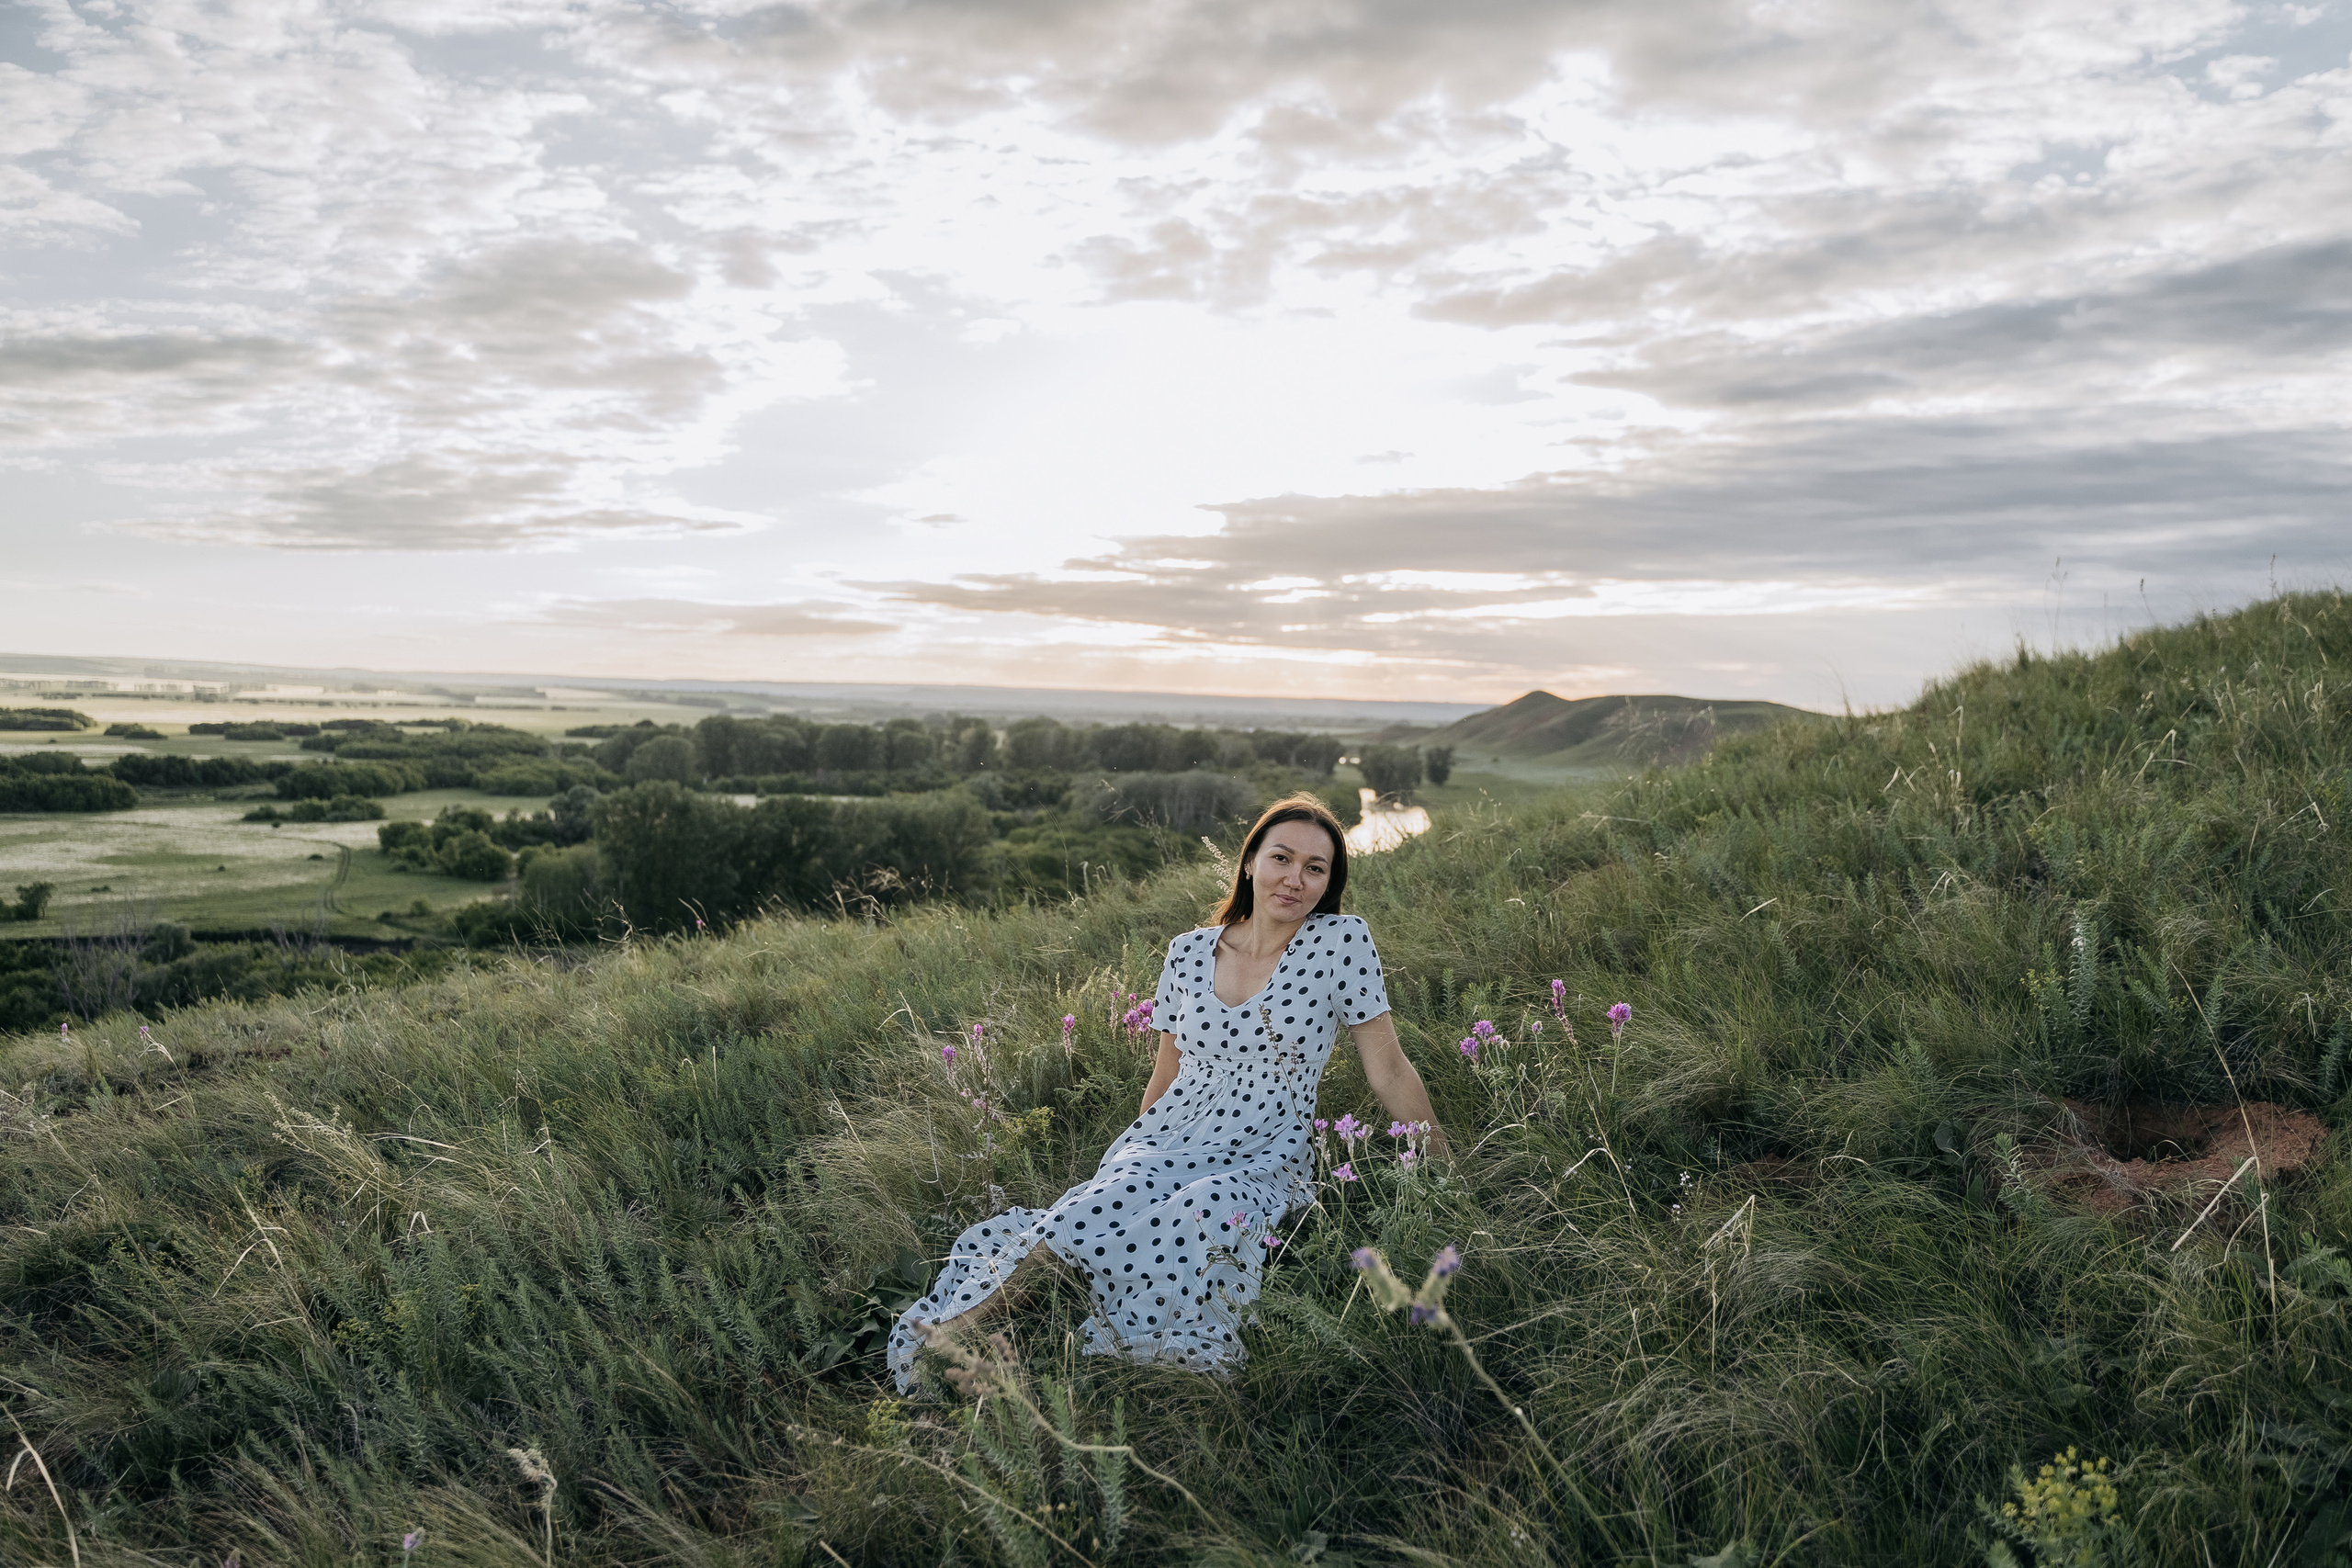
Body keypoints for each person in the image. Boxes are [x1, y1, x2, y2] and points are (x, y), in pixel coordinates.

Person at [887, 793, 1450, 1394]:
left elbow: (1387, 1067)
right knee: (1078, 1216)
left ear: (1329, 880)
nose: (1296, 878)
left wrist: (1442, 1162)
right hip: (1170, 1134)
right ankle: (953, 1334)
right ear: (1250, 861)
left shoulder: (1342, 942)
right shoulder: (1187, 951)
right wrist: (1133, 1162)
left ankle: (1081, 1365)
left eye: (1316, 868)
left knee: (1203, 1206)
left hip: (1266, 1151)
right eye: (1282, 857)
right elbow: (1166, 1072)